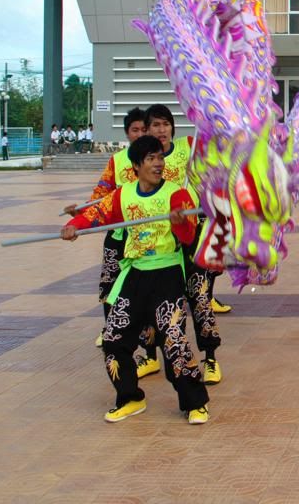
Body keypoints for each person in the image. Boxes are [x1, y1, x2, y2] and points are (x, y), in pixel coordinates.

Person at [62, 134, 210, 424]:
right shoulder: (124, 194)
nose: (158, 164)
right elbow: (97, 214)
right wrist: (72, 225)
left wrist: (181, 223)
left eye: (160, 157)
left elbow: (188, 237)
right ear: (136, 166)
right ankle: (130, 397)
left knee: (174, 342)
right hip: (134, 275)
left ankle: (194, 403)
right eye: (151, 159)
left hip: (166, 275)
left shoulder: (177, 195)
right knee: (113, 338)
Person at [138, 104, 224, 385]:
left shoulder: (190, 146)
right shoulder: (143, 160)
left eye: (165, 124)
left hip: (193, 235)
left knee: (199, 297)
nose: (160, 130)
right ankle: (152, 355)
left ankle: (210, 359)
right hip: (159, 241)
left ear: (172, 128)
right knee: (155, 301)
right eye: (155, 125)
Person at [63, 108, 148, 347]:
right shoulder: (118, 160)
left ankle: (145, 339)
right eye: (135, 130)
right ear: (127, 133)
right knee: (109, 283)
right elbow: (102, 196)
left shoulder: (157, 159)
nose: (140, 134)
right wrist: (80, 213)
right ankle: (110, 328)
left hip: (146, 235)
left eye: (144, 129)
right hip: (119, 233)